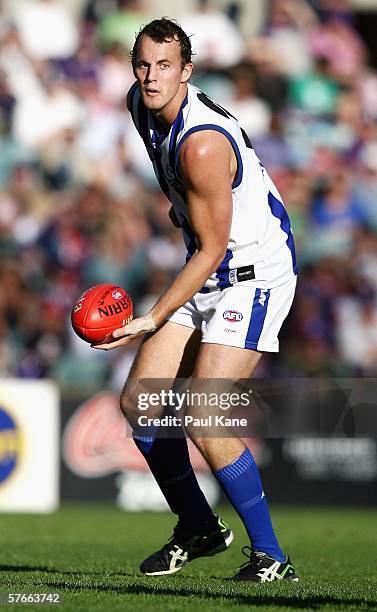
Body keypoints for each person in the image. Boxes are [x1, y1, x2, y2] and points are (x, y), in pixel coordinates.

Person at [93, 18, 298, 582]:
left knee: (204, 415)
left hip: (252, 273)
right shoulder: (139, 104)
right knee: (140, 405)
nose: (151, 77)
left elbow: (211, 250)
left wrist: (151, 317)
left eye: (165, 66)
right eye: (143, 64)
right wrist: (183, 208)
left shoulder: (202, 143)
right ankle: (199, 528)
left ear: (188, 71)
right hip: (207, 262)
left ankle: (271, 557)